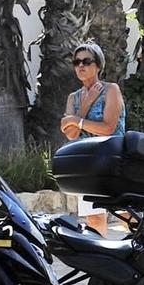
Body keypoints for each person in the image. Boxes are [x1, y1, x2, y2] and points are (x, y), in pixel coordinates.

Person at [60, 40, 126, 233]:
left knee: (127, 215)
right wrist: (86, 105)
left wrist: (75, 120)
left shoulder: (111, 90)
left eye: (86, 61)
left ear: (98, 66)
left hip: (114, 160)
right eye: (76, 62)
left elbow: (108, 128)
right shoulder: (74, 98)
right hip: (88, 163)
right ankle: (103, 260)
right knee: (95, 219)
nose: (80, 65)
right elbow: (71, 135)